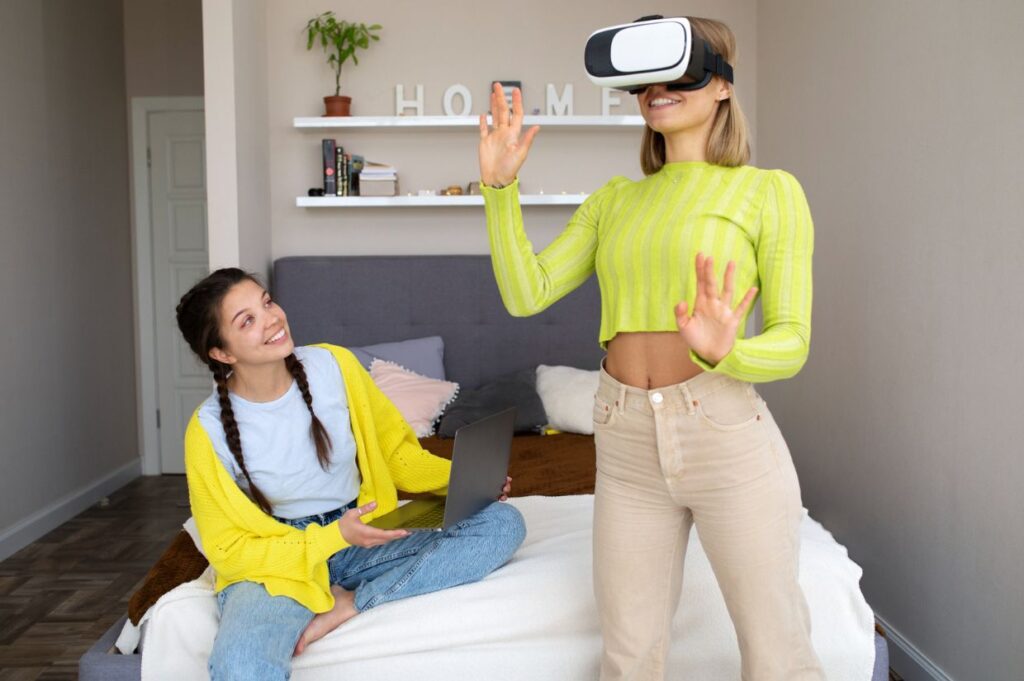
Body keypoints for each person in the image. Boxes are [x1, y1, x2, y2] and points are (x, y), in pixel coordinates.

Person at [477, 16, 825, 681]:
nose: (658, 90)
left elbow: (794, 341)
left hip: (725, 432)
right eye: (645, 81)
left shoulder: (768, 192)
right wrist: (500, 191)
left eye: (679, 74)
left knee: (778, 651)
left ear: (721, 86)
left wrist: (730, 354)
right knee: (629, 654)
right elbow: (527, 292)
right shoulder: (615, 200)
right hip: (626, 437)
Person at [175, 268, 525, 680]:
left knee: (501, 524)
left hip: (364, 531)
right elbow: (228, 548)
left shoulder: (334, 365)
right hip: (279, 559)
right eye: (247, 320)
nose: (272, 319)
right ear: (222, 353)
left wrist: (464, 479)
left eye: (267, 302)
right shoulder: (207, 429)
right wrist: (331, 537)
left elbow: (395, 453)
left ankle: (351, 603)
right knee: (239, 666)